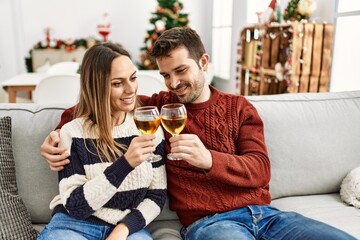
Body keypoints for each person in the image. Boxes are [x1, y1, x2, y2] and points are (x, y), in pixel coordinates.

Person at [40, 28, 355, 240]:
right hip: (211, 223)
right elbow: (103, 105)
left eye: (181, 71)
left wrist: (209, 160)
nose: (173, 83)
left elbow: (260, 171)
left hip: (268, 216)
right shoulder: (161, 108)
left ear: (203, 62)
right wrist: (57, 135)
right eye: (165, 75)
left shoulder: (239, 107)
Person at [37, 43, 167, 240]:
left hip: (128, 228)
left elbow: (156, 196)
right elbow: (76, 206)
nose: (130, 89)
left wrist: (122, 231)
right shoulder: (72, 133)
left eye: (133, 78)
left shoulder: (149, 127)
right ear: (97, 87)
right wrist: (125, 164)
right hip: (74, 225)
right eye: (117, 83)